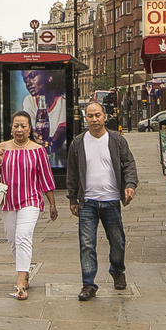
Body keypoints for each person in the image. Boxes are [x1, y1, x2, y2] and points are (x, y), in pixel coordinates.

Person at [65, 101, 138, 301]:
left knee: (117, 241)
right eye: (90, 116)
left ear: (105, 116)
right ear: (85, 118)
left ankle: (117, 270)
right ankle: (88, 284)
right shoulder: (78, 143)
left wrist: (130, 184)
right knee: (87, 244)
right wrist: (73, 198)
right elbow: (72, 173)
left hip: (111, 201)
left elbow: (129, 164)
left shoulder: (116, 140)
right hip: (87, 202)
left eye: (98, 115)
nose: (94, 119)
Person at [0, 110, 57, 300]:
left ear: (29, 129)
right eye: (16, 126)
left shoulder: (38, 150)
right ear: (11, 128)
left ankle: (20, 282)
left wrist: (52, 204)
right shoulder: (3, 147)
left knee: (23, 236)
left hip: (31, 200)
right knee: (13, 240)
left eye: (23, 126)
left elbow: (46, 179)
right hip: (8, 201)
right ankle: (24, 273)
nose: (19, 130)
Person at [19, 69, 69, 161]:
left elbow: (60, 134)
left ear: (49, 77)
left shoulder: (63, 102)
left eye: (32, 76)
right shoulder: (28, 100)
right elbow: (30, 131)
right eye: (25, 80)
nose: (28, 83)